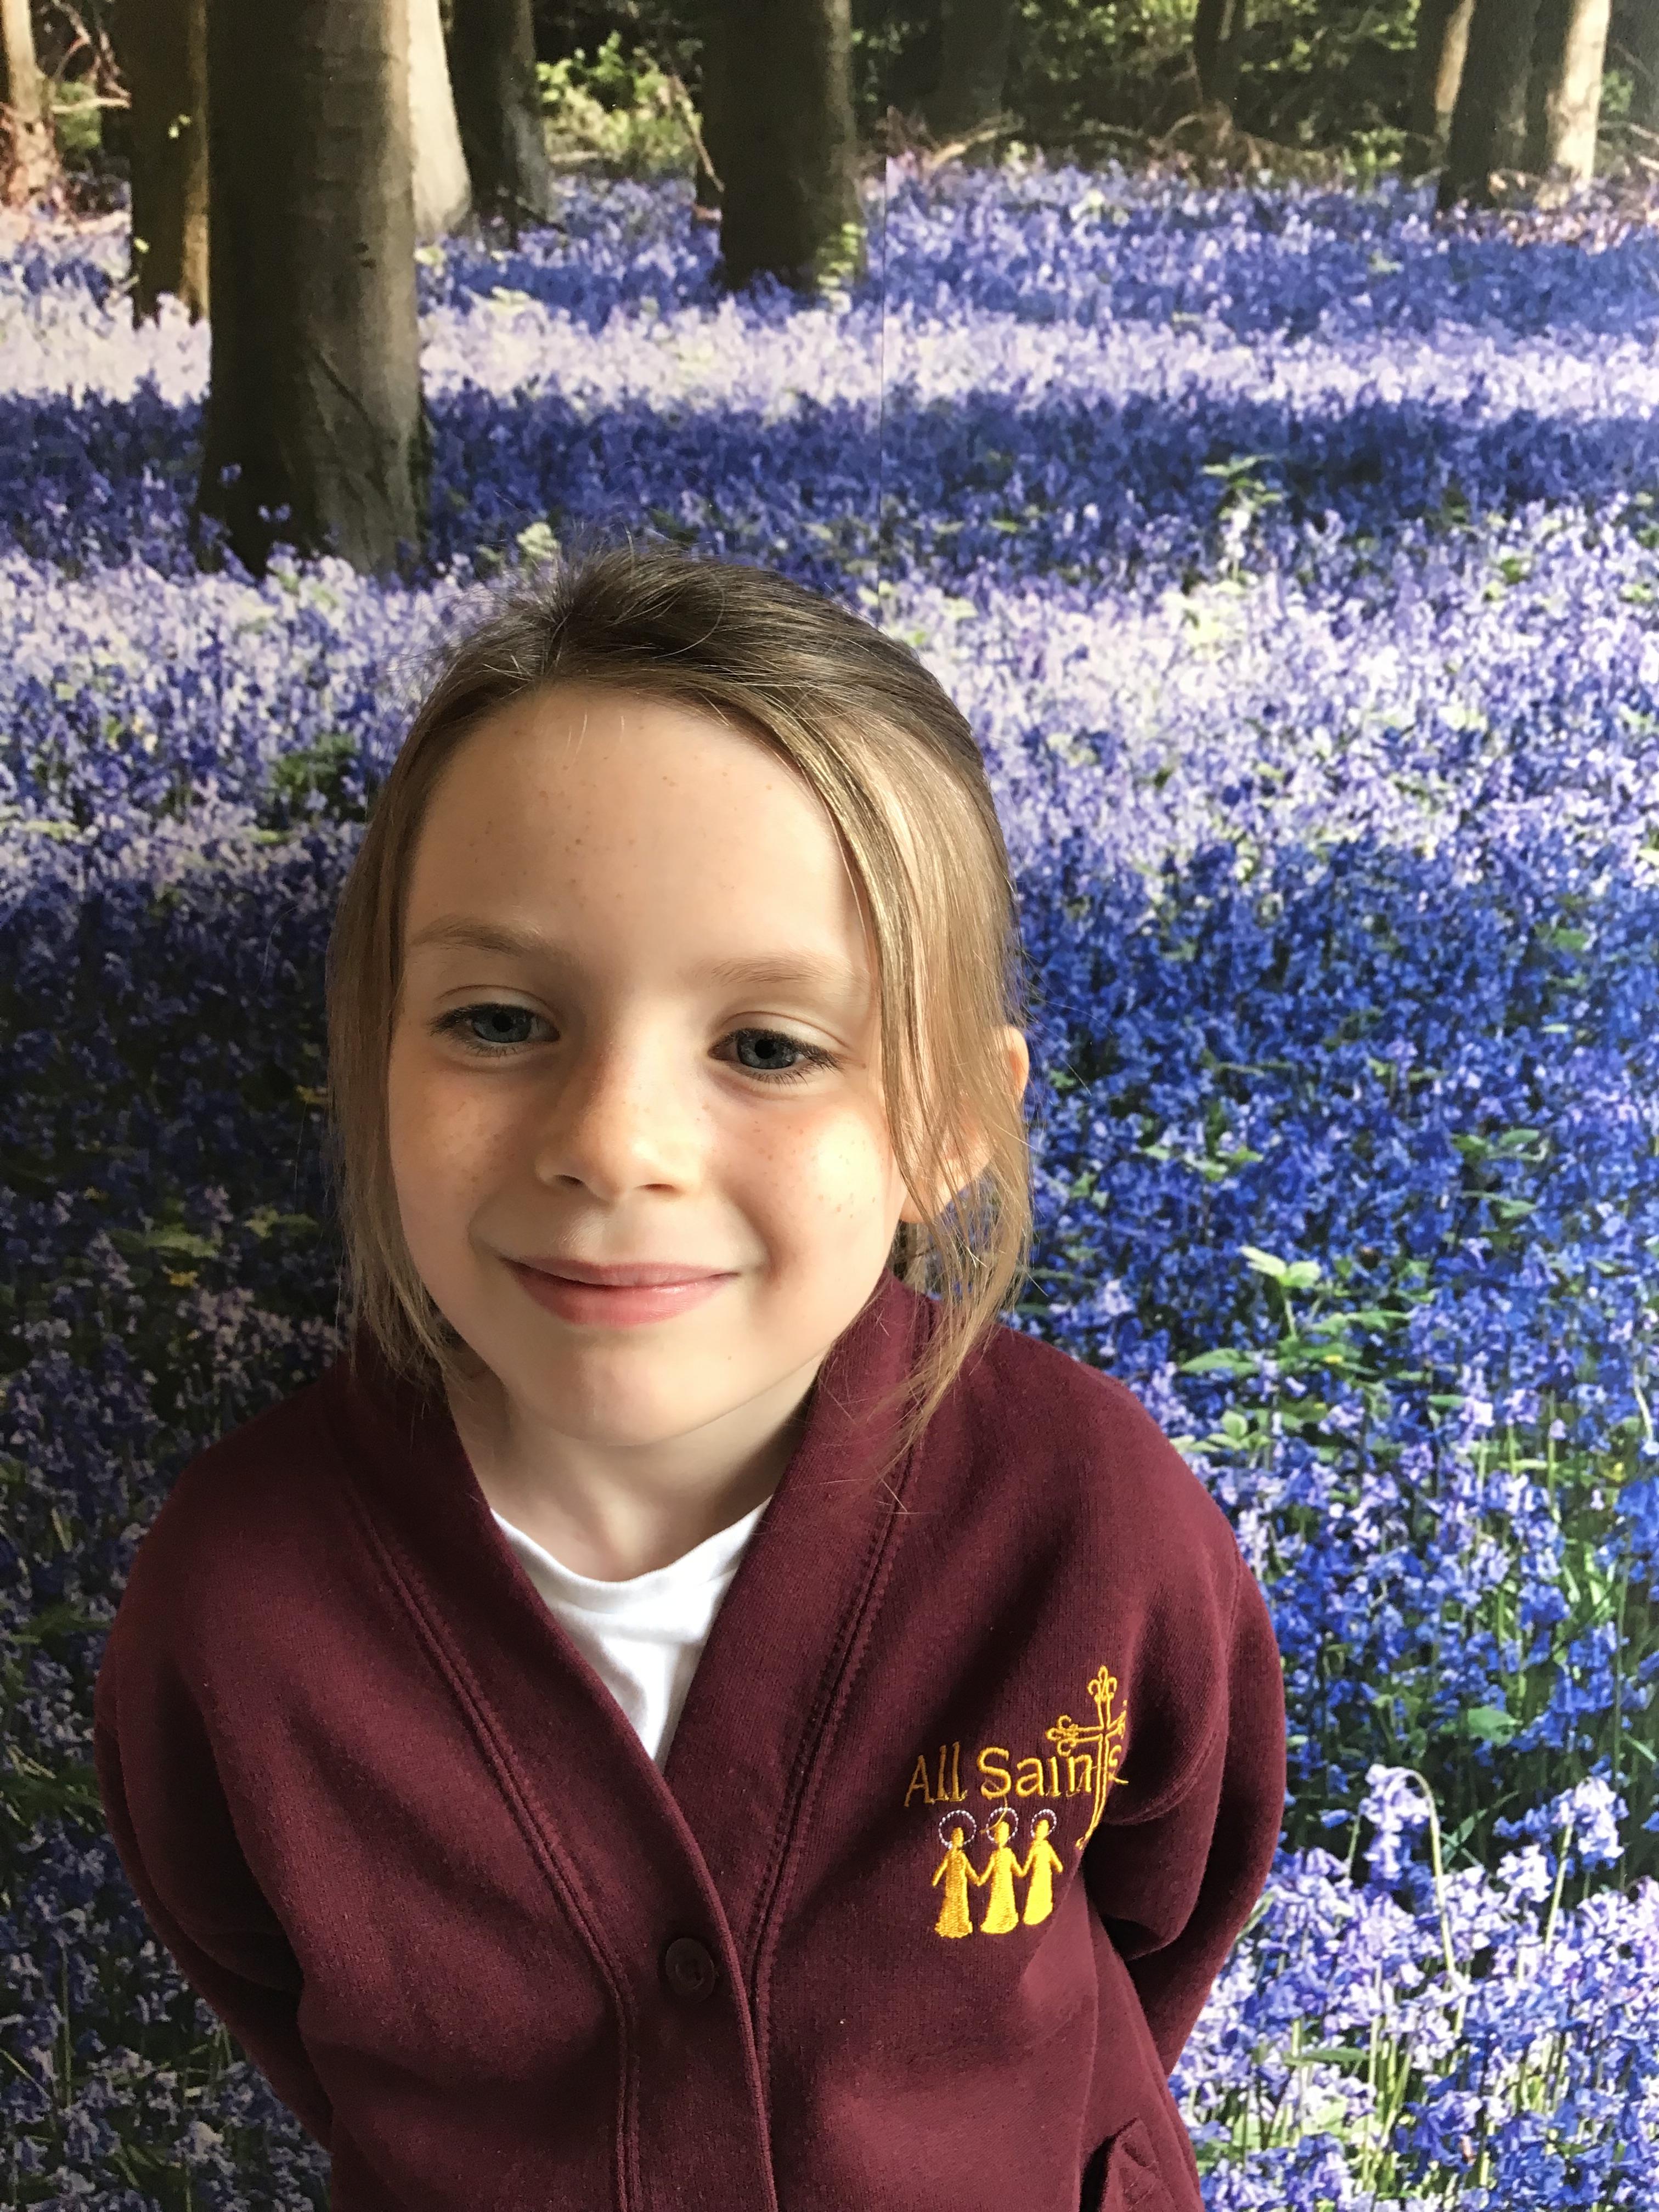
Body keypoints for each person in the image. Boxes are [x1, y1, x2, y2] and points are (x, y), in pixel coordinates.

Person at [93, 537, 1286, 2212]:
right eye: (499, 1021)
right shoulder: (241, 1596)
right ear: (371, 1059)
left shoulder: (1087, 1518)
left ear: (951, 1125)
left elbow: (1172, 1902)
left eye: (770, 1047)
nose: (615, 1142)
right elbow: (271, 1984)